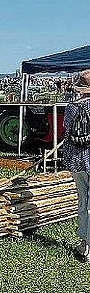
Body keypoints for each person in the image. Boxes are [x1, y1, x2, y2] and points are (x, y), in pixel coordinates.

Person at [63, 69, 90, 262]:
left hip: (76, 159)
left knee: (83, 201)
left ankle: (85, 245)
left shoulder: (71, 107)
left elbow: (66, 127)